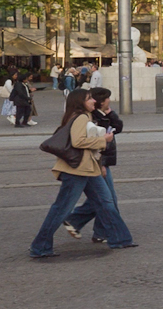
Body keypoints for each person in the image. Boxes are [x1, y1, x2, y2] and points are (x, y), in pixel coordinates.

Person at [28, 88, 133, 257]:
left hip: (88, 168)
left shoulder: (84, 116)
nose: (93, 101)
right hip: (77, 170)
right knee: (62, 208)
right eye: (89, 98)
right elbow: (78, 142)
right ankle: (40, 246)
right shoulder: (81, 117)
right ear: (81, 102)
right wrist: (103, 140)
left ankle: (120, 239)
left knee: (105, 202)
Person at [63, 86, 127, 244]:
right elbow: (93, 142)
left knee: (103, 198)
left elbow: (118, 128)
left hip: (100, 161)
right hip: (97, 162)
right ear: (101, 101)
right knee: (107, 199)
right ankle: (81, 223)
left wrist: (110, 113)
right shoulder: (92, 118)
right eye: (108, 98)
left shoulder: (102, 115)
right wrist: (102, 164)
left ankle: (96, 230)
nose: (110, 100)